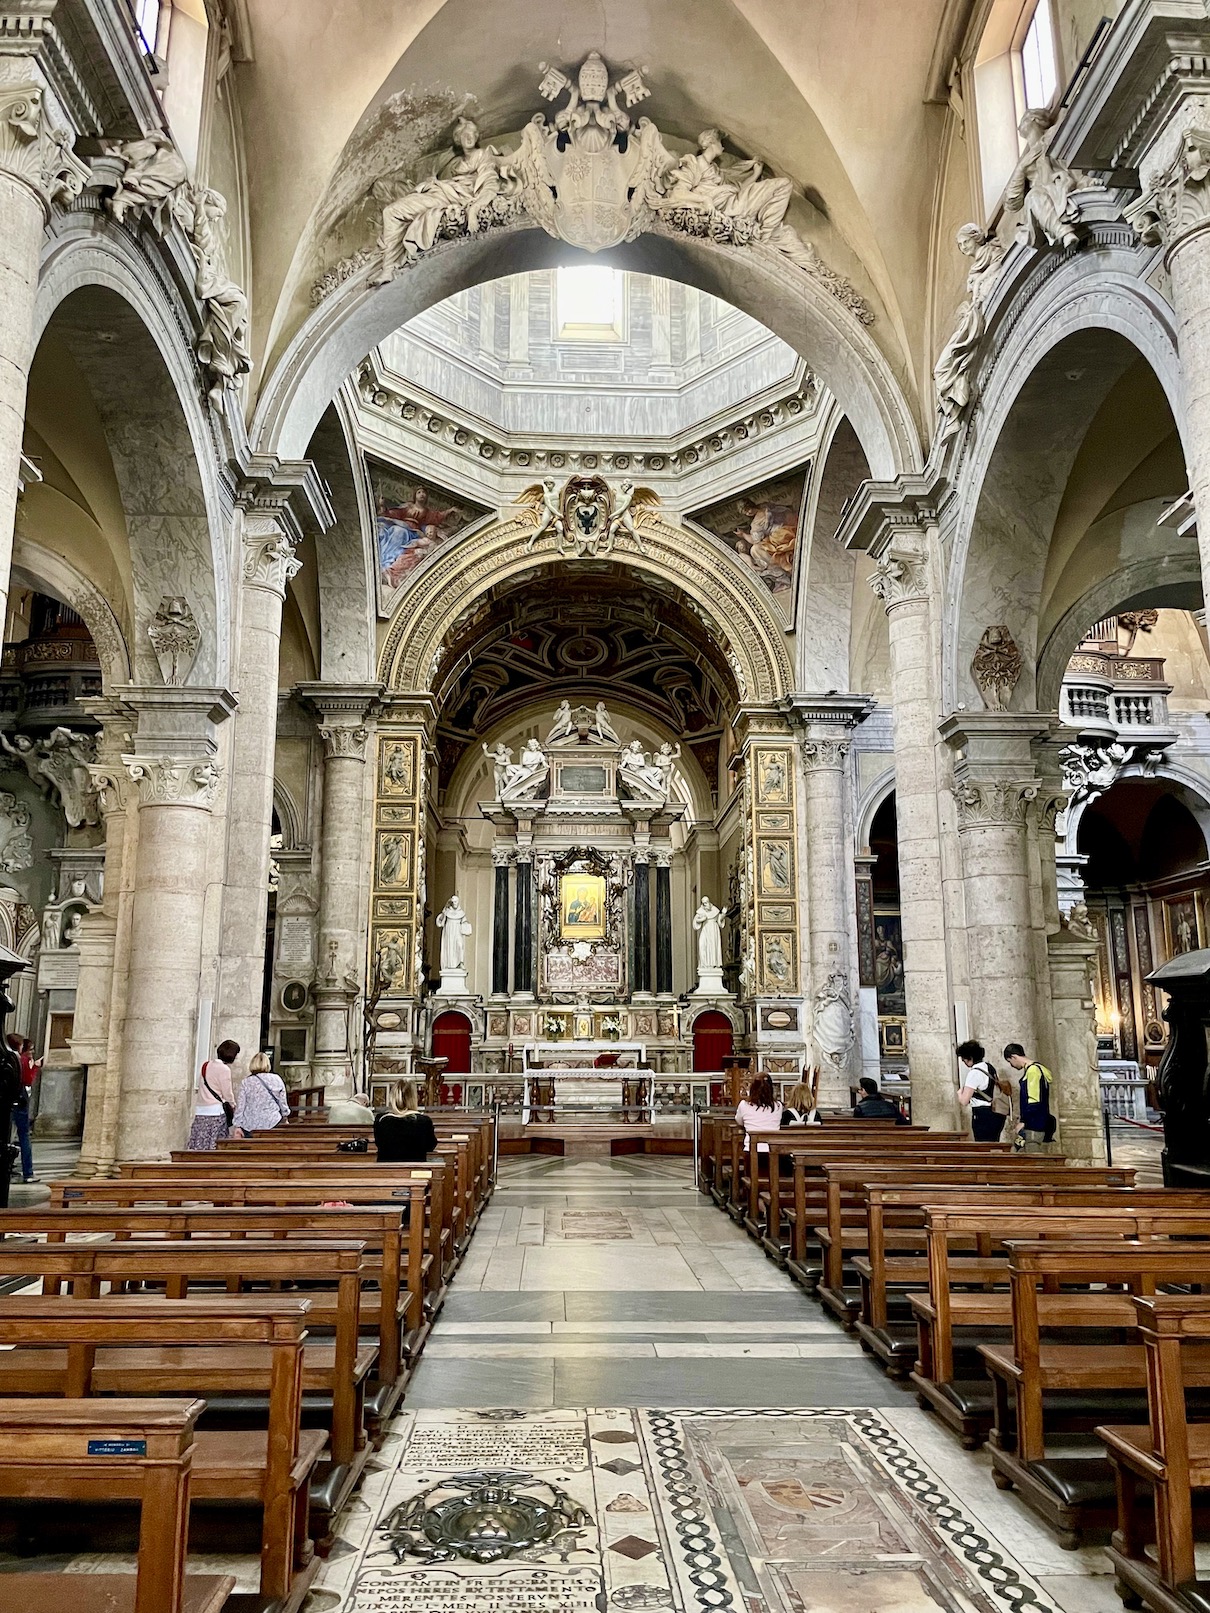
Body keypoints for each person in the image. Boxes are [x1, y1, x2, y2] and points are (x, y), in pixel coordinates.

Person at [188, 1039, 238, 1151]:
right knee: (214, 1142)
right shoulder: (224, 1069)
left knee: (200, 1140)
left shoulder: (206, 1065)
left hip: (201, 1108)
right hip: (215, 1110)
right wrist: (232, 1104)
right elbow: (227, 1092)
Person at [1004, 1043, 1056, 1149]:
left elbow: (1033, 1101)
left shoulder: (1033, 1071)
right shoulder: (1038, 1069)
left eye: (1010, 1062)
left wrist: (1024, 1122)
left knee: (1032, 1158)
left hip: (1033, 1125)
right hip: (1039, 1121)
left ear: (1014, 1057)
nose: (1011, 1065)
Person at [373, 1081, 438, 1162]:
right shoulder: (424, 1121)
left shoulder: (381, 1120)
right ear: (414, 1098)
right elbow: (430, 1146)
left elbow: (379, 1144)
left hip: (386, 1170)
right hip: (415, 1171)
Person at [955, 1040, 1006, 1141]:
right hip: (997, 1112)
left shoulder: (974, 1073)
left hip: (983, 1114)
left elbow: (964, 1101)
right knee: (994, 1145)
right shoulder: (989, 1067)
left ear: (970, 1058)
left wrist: (960, 1093)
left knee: (983, 1147)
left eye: (964, 1058)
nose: (963, 1061)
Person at [231, 1051, 290, 1137]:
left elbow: (241, 1106)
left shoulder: (246, 1082)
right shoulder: (276, 1079)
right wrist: (285, 1116)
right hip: (273, 1122)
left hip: (250, 1125)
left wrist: (237, 1125)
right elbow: (283, 1102)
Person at [6, 1034, 36, 1182]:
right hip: (19, 1100)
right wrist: (35, 1067)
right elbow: (26, 1079)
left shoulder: (10, 1059)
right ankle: (28, 1173)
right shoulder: (19, 1060)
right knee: (24, 1135)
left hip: (11, 1099)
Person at [735, 1074, 783, 1153]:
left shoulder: (744, 1105)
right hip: (773, 1151)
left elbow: (739, 1121)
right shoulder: (778, 1106)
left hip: (751, 1150)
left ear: (752, 1088)